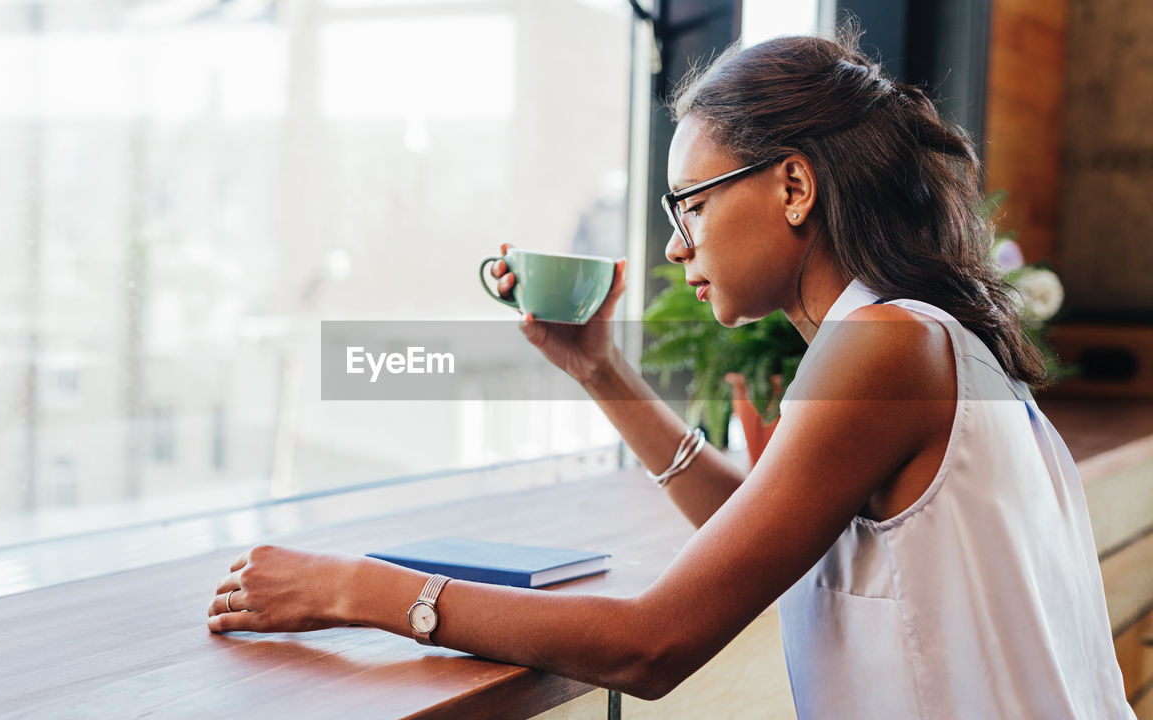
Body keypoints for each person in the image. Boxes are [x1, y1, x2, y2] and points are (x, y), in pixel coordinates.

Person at [207, 30, 1134, 718]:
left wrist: (356, 589)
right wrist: (599, 369)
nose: (674, 242)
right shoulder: (921, 337)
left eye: (689, 202)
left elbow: (653, 645)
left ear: (795, 187)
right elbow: (759, 534)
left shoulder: (881, 349)